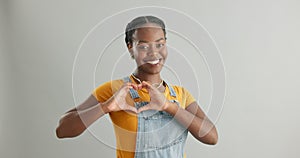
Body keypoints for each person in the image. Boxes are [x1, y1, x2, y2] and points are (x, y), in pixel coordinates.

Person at [56, 15, 218, 158]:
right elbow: (62, 130)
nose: (154, 53)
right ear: (130, 47)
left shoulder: (180, 94)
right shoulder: (116, 89)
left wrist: (169, 107)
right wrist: (105, 106)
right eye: (143, 46)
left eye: (159, 44)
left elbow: (211, 137)